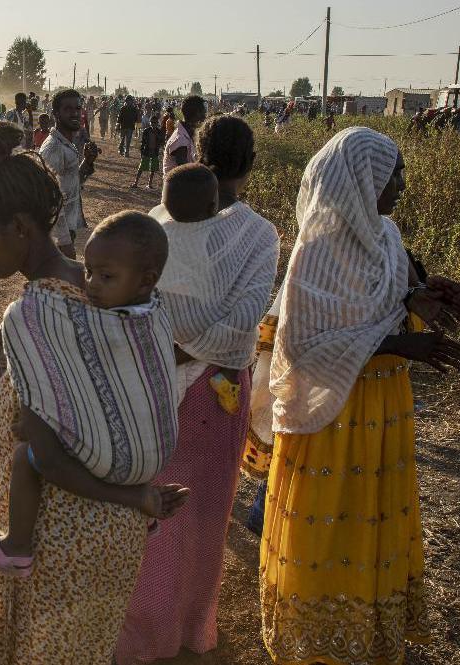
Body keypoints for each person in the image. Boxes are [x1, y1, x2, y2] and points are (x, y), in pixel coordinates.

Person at [0, 123, 188, 664]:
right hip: (118, 537)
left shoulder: (35, 314)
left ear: (18, 227)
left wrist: (135, 497)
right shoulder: (104, 290)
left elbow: (44, 452)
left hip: (60, 538)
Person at [259, 127, 460, 665]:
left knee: (373, 515)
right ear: (360, 179)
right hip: (335, 414)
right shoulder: (317, 252)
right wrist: (401, 343)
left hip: (383, 406)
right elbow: (303, 345)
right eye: (391, 173)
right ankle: (321, 635)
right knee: (331, 519)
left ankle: (370, 624)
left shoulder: (388, 239)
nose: (401, 183)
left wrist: (428, 297)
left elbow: (388, 301)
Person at [118, 117, 281, 664]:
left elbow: (134, 305)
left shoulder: (156, 220)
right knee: (205, 513)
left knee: (155, 508)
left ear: (197, 152)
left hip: (155, 386)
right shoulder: (260, 236)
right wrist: (195, 352)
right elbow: (244, 321)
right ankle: (189, 627)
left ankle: (143, 627)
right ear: (251, 162)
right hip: (217, 391)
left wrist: (170, 353)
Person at [0, 211, 184, 576]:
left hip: (114, 467)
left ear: (147, 281)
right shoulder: (155, 313)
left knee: (26, 456)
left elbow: (81, 387)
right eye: (91, 272)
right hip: (155, 458)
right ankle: (138, 505)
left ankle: (16, 546)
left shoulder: (95, 322)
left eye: (107, 276)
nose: (93, 285)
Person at [40, 89, 98, 259]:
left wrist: (87, 162)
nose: (75, 114)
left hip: (66, 228)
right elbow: (50, 201)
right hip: (56, 236)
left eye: (78, 109)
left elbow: (71, 183)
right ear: (56, 113)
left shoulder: (66, 143)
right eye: (68, 109)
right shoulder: (54, 149)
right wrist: (65, 245)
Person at [163, 95, 206, 177]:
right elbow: (184, 171)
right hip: (179, 187)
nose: (205, 114)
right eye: (203, 111)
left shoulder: (187, 133)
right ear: (196, 113)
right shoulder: (180, 139)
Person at [132, 114, 164, 189]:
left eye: (155, 123)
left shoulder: (158, 132)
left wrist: (157, 136)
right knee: (141, 168)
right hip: (147, 151)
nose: (153, 124)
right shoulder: (146, 131)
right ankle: (136, 182)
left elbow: (161, 141)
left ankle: (149, 183)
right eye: (152, 122)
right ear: (150, 123)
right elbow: (143, 142)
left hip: (154, 151)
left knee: (152, 169)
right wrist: (142, 152)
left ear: (157, 123)